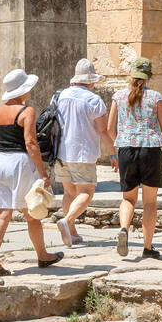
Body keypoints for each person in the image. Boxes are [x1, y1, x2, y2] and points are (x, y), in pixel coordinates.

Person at [0, 69, 61, 274]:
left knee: (3, 214)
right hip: (20, 162)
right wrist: (43, 172)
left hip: (0, 162)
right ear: (22, 90)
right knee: (31, 213)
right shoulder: (27, 112)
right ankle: (43, 256)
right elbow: (30, 143)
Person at [107, 57, 162, 260]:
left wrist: (118, 145)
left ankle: (124, 228)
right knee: (150, 202)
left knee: (128, 198)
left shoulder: (118, 97)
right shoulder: (155, 97)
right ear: (148, 77)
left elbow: (109, 128)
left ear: (130, 74)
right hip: (150, 150)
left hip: (126, 150)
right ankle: (147, 247)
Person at [54, 58, 113, 247]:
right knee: (86, 191)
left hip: (61, 151)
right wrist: (113, 153)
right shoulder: (94, 100)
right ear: (90, 81)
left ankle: (71, 233)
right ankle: (67, 220)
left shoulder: (59, 96)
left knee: (69, 192)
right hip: (83, 152)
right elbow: (103, 130)